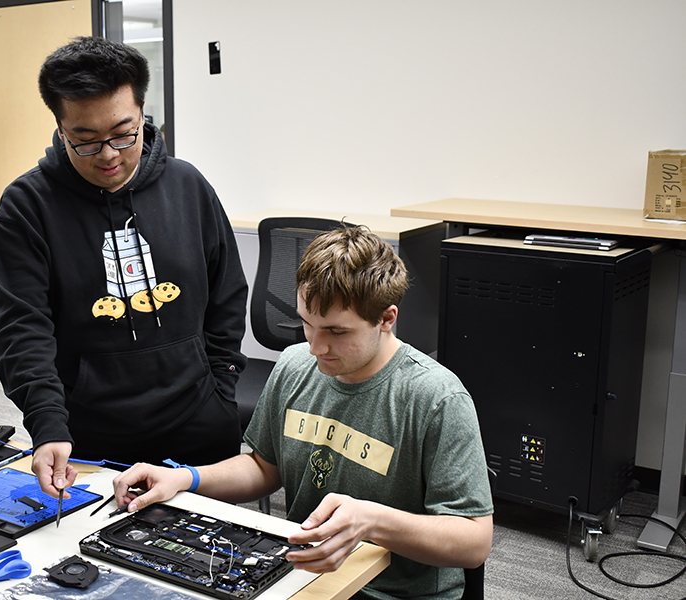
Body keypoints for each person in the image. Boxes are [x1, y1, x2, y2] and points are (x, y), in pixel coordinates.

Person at [112, 225, 494, 599]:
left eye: (337, 332)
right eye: (307, 325)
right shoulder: (296, 365)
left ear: (386, 319)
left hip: (388, 591)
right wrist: (184, 478)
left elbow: (474, 541)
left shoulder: (436, 398)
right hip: (299, 578)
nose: (316, 347)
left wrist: (373, 521)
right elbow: (264, 467)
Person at [0, 37, 248, 500]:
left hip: (199, 425)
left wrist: (220, 386)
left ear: (143, 110)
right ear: (60, 125)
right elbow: (22, 328)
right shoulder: (26, 207)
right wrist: (48, 424)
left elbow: (226, 291)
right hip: (90, 437)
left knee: (217, 560)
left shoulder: (187, 186)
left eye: (124, 133)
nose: (108, 154)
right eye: (85, 140)